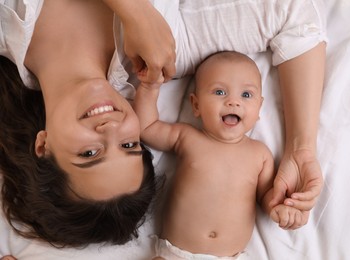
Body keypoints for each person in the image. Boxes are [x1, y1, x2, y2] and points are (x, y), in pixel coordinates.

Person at [0, 0, 325, 250]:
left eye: (89, 152)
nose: (111, 128)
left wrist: (136, 13)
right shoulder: (163, 51)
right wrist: (302, 148)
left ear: (43, 145)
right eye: (129, 145)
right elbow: (292, 13)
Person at [135, 51, 306, 259]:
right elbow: (147, 128)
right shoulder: (187, 137)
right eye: (219, 92)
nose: (233, 102)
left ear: (259, 107)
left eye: (246, 95)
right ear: (196, 105)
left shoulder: (259, 154)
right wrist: (148, 87)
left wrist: (280, 209)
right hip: (176, 254)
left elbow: (267, 195)